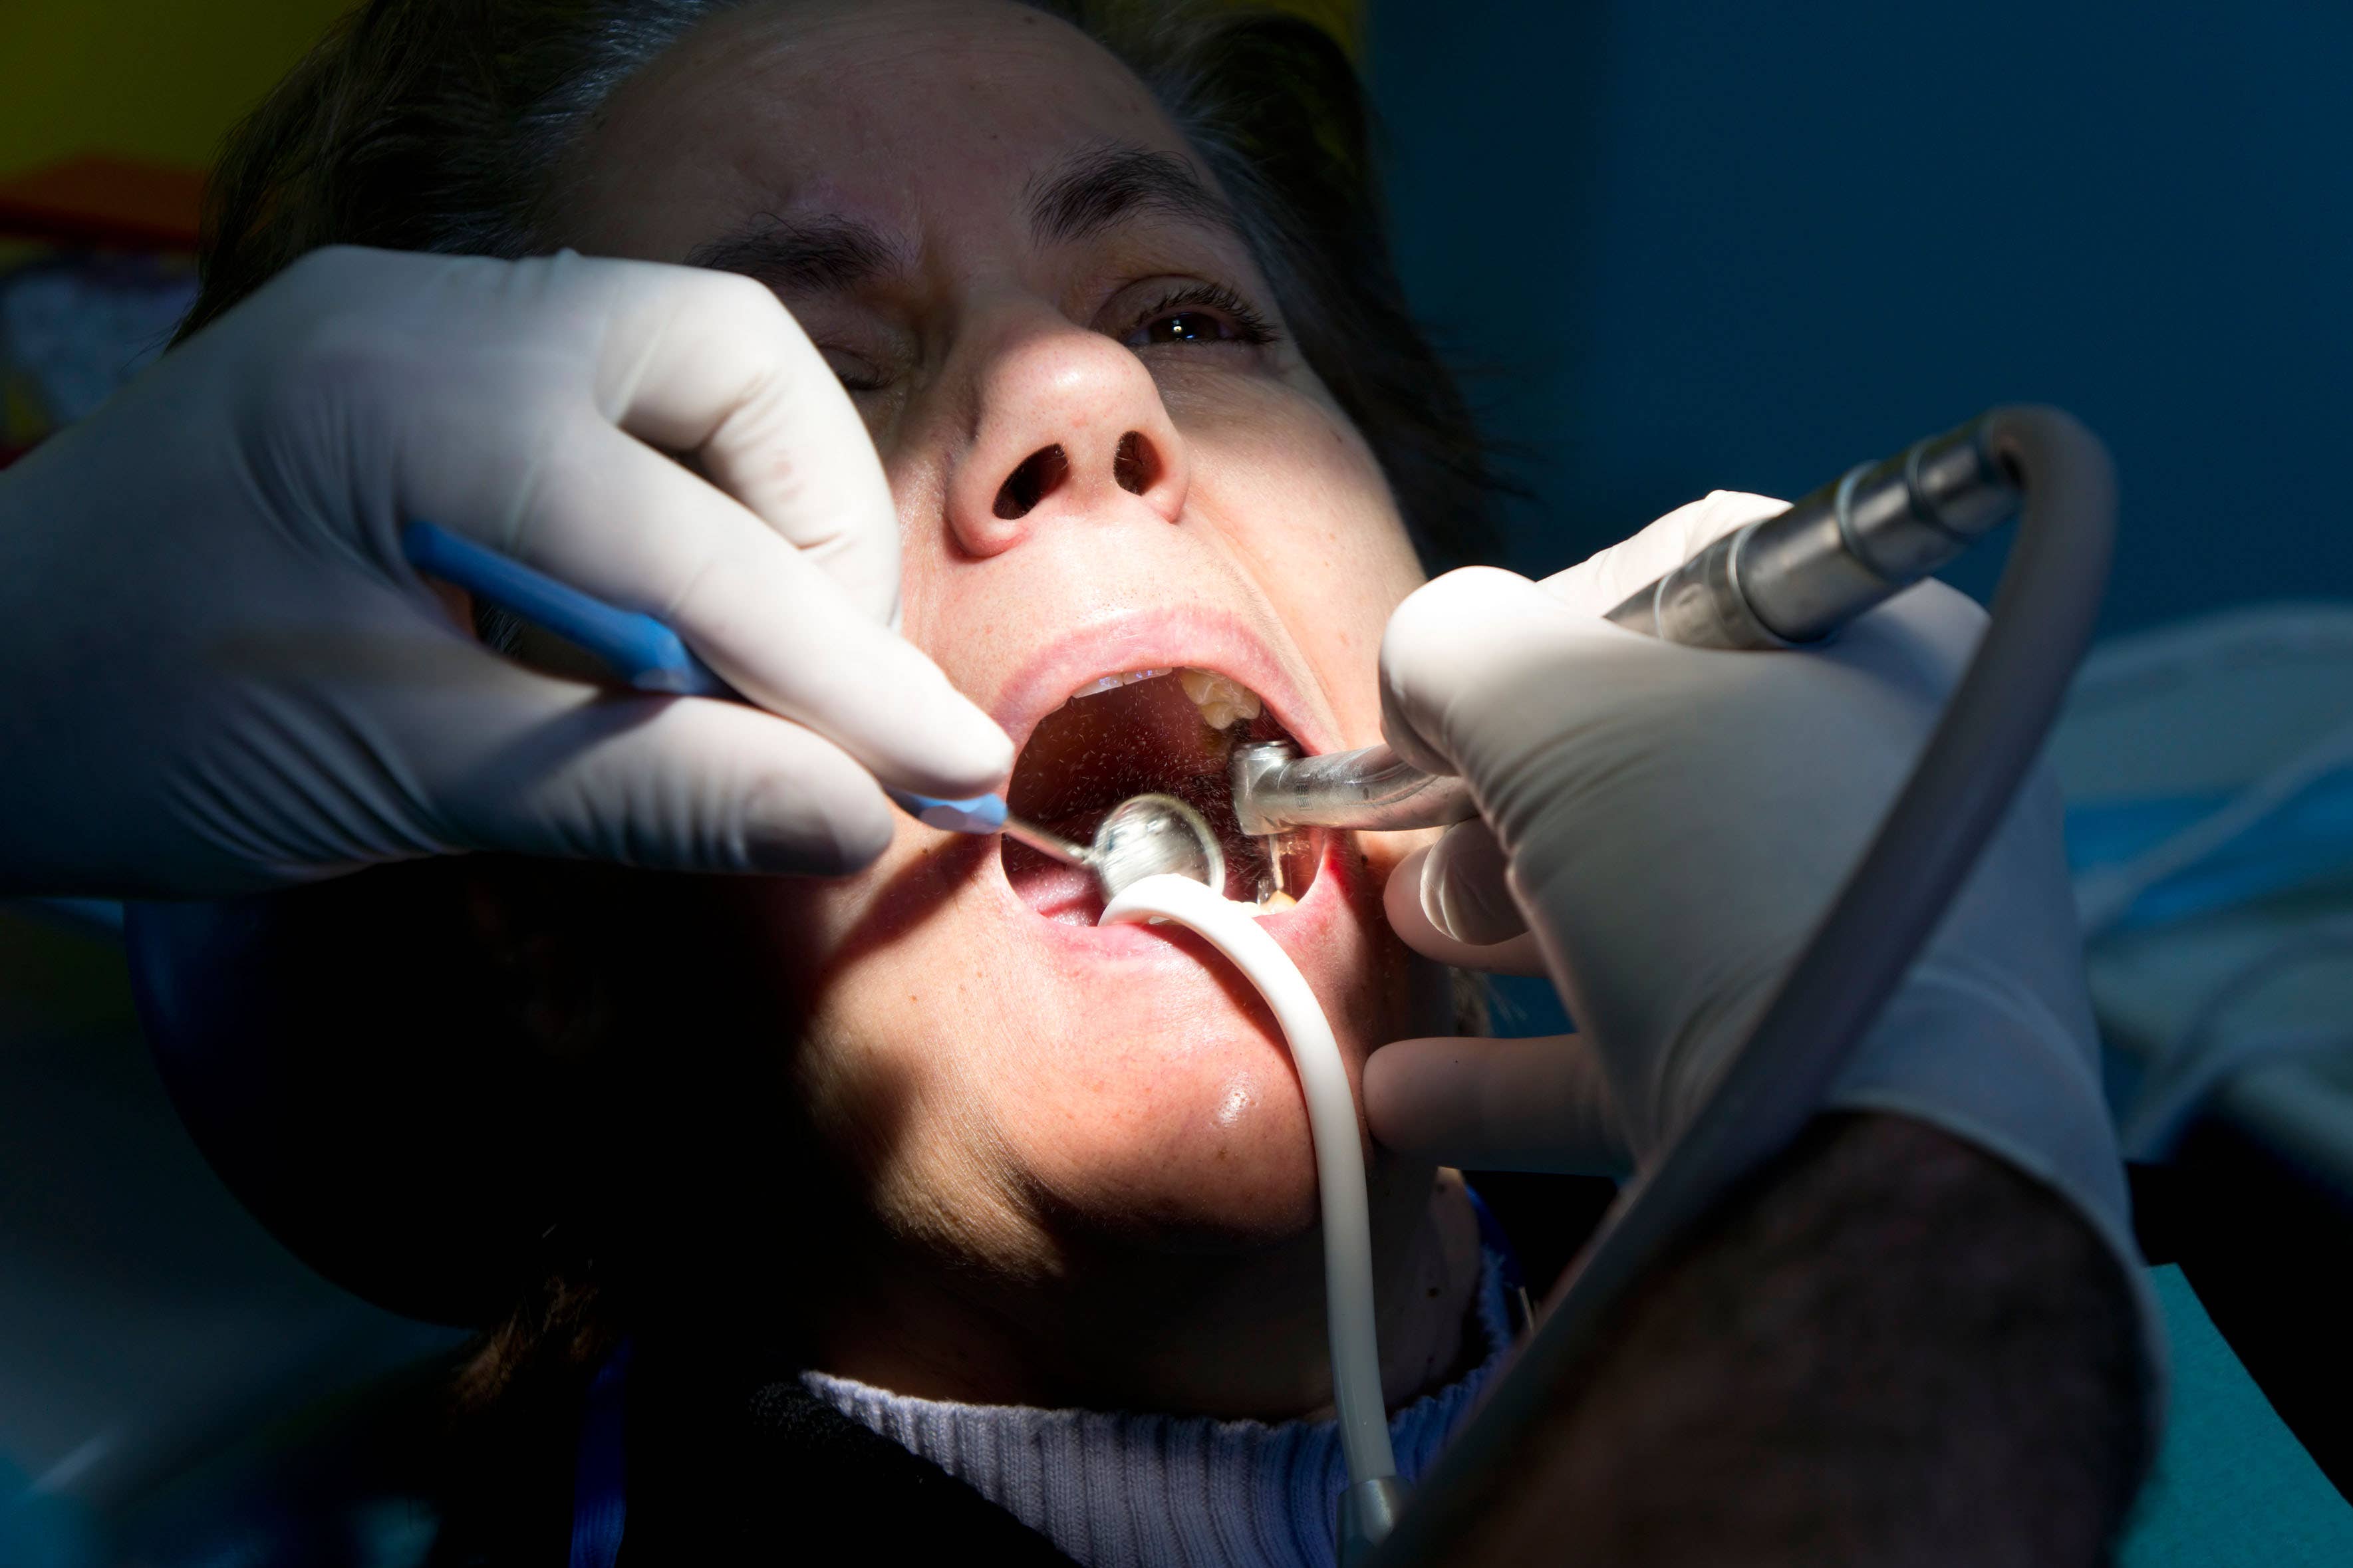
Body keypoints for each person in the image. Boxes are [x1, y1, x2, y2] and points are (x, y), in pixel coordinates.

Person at [0, 1, 2151, 1563]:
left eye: (1194, 314)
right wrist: (1903, 1220)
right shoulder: (1936, 1268)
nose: (1074, 383)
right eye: (814, 385)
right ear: (546, 912)